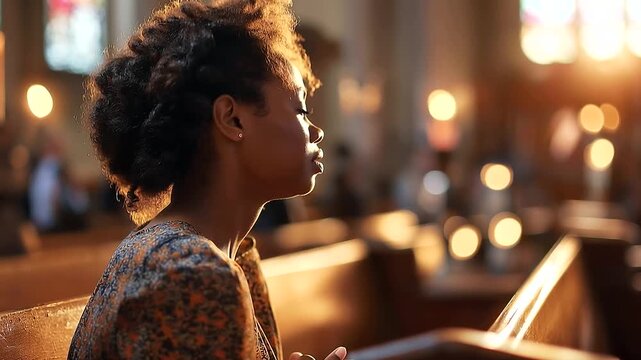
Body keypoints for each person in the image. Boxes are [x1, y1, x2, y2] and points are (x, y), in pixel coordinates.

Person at [69, 1, 346, 359]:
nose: (317, 131)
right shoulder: (191, 275)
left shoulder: (213, 255)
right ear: (232, 120)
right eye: (301, 110)